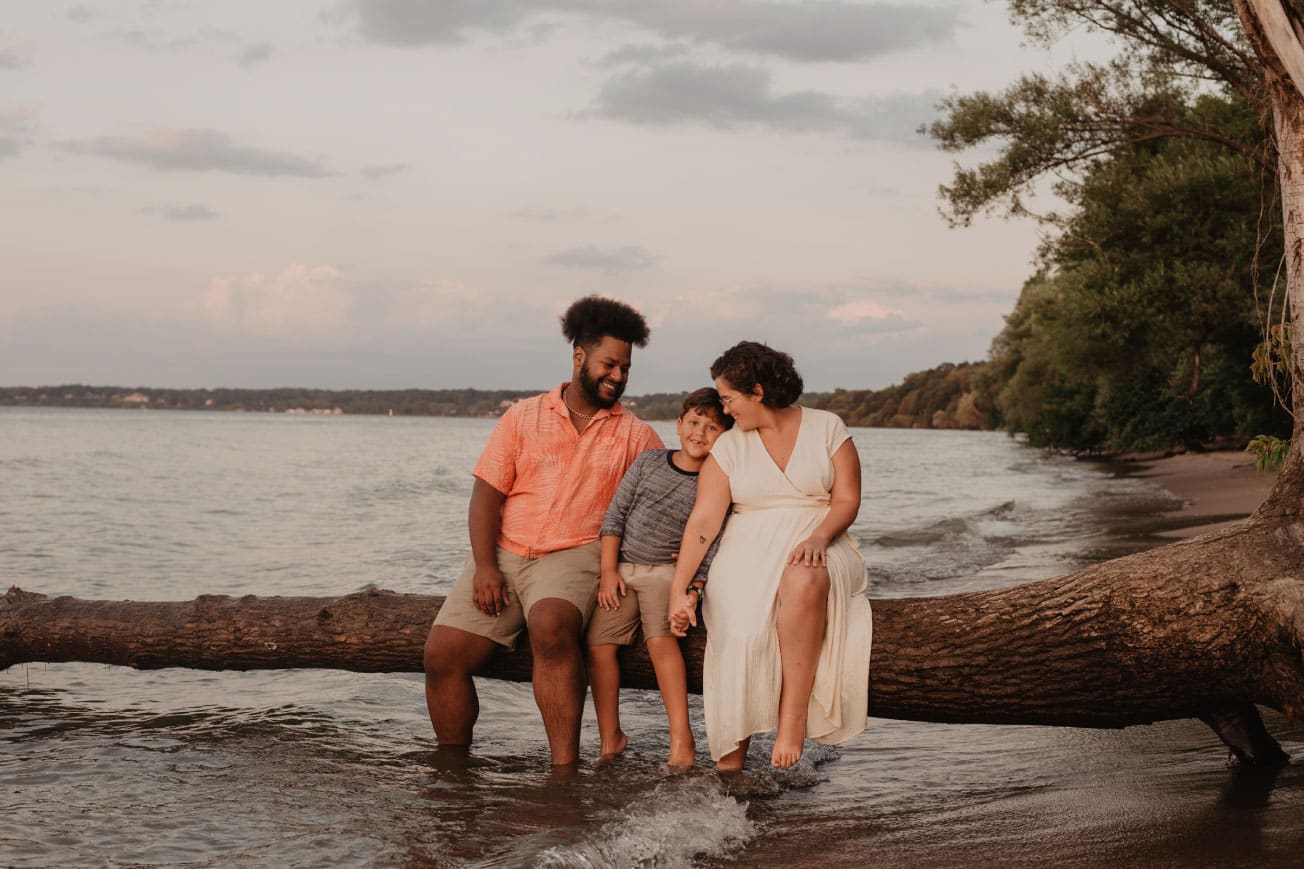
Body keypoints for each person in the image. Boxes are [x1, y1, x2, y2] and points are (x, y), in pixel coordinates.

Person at [423, 296, 663, 769]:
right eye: (609, 364)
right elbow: (486, 495)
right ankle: (452, 773)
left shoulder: (636, 436)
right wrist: (487, 567)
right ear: (579, 356)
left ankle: (563, 771)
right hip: (504, 552)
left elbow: (673, 490)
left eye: (626, 367)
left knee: (551, 625)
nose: (618, 376)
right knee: (441, 654)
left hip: (575, 555)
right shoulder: (522, 417)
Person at [668, 341, 872, 771]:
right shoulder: (729, 446)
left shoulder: (827, 427)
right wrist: (680, 589)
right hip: (748, 547)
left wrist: (819, 538)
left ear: (757, 392)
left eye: (728, 397)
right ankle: (729, 762)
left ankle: (792, 720)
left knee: (803, 576)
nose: (724, 408)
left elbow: (847, 499)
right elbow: (704, 523)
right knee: (740, 631)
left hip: (821, 535)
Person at [586, 388, 733, 769]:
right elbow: (614, 517)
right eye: (695, 422)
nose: (700, 433)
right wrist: (607, 572)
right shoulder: (649, 462)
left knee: (659, 642)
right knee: (599, 646)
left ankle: (682, 738)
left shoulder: (717, 481)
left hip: (667, 575)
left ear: (725, 436)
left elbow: (712, 541)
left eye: (712, 427)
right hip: (622, 571)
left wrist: (693, 589)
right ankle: (610, 736)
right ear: (679, 423)